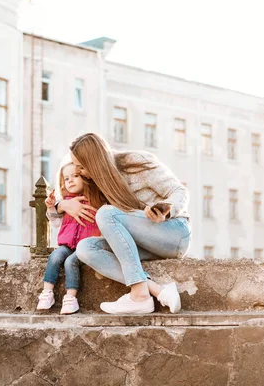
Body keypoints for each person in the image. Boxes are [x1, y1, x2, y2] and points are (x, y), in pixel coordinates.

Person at [56, 133, 191, 314]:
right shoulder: (97, 183)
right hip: (143, 244)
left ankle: (139, 295)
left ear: (95, 162)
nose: (80, 172)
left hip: (174, 233)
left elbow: (179, 190)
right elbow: (61, 197)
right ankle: (156, 290)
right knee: (85, 248)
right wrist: (62, 205)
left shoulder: (136, 162)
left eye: (81, 167)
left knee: (106, 214)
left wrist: (166, 210)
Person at [36, 162, 107, 314]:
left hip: (86, 247)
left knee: (70, 262)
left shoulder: (95, 199)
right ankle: (47, 292)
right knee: (55, 256)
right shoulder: (66, 202)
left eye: (75, 176)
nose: (71, 180)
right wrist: (51, 207)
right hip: (67, 245)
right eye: (66, 178)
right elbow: (55, 222)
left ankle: (70, 297)